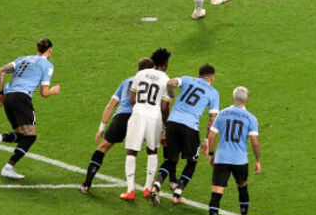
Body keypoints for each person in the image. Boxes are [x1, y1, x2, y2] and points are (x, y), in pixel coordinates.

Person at [0, 37, 61, 180]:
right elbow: (44, 93)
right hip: (22, 98)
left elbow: (1, 71)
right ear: (50, 51)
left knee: (23, 136)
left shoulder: (22, 59)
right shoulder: (48, 66)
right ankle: (8, 167)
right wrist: (54, 90)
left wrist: (1, 94)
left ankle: (0, 137)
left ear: (37, 49)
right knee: (30, 137)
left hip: (9, 98)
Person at [120, 49, 181, 204]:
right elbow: (165, 107)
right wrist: (166, 126)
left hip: (138, 113)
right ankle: (147, 188)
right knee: (152, 150)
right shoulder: (167, 80)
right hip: (155, 116)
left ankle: (130, 191)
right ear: (166, 65)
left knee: (132, 151)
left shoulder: (140, 75)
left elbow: (133, 99)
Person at [155, 63, 220, 205]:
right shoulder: (213, 93)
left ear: (199, 74)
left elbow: (170, 83)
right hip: (190, 126)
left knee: (171, 159)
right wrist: (207, 140)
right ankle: (177, 194)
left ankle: (157, 185)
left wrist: (171, 95)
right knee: (192, 161)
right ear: (210, 77)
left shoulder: (187, 79)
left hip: (172, 122)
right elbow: (213, 118)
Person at [204, 86, 262, 215]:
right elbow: (255, 142)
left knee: (216, 193)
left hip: (221, 159)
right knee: (242, 188)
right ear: (247, 100)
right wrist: (257, 160)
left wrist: (211, 154)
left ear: (233, 99)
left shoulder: (222, 113)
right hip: (240, 161)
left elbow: (211, 136)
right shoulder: (251, 118)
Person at [80, 58, 142, 194]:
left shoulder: (126, 82)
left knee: (102, 148)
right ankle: (165, 183)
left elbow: (111, 105)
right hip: (140, 119)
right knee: (138, 151)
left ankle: (86, 184)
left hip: (121, 118)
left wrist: (101, 128)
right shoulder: (151, 83)